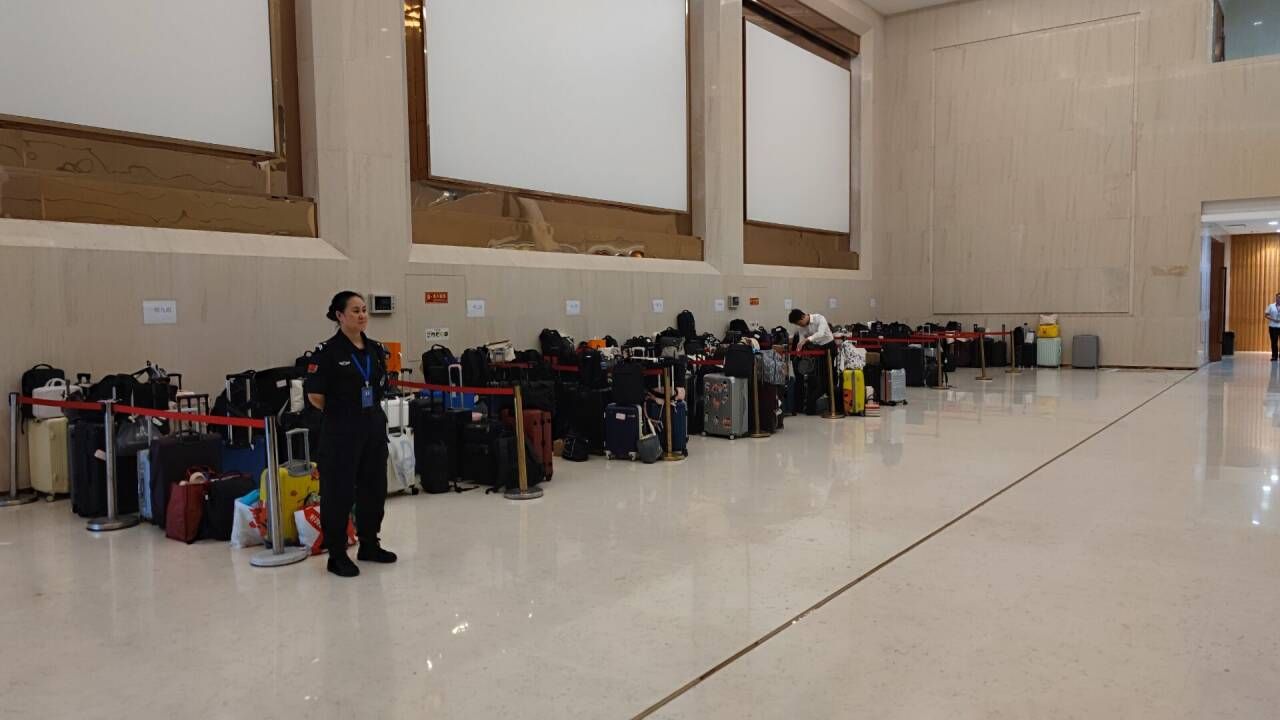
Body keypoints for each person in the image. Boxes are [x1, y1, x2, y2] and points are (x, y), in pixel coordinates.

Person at [305, 291, 397, 577]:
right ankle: (336, 554)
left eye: (364, 310)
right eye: (355, 311)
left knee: (374, 488)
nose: (362, 315)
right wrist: (343, 413)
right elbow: (315, 396)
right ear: (340, 316)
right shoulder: (327, 352)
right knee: (338, 493)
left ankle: (369, 543)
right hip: (341, 431)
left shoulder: (375, 350)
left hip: (372, 427)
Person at [1267, 292, 1280, 361]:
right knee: (1274, 342)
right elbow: (1266, 315)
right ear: (1276, 298)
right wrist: (1273, 319)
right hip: (1273, 326)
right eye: (1278, 297)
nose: (1279, 299)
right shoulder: (1271, 306)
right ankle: (1274, 356)